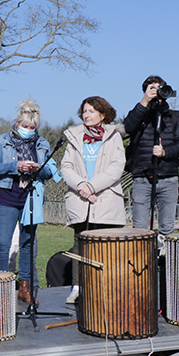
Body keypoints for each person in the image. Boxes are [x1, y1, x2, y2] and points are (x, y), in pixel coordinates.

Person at [61, 96, 126, 302]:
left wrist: (92, 186)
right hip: (81, 199)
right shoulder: (74, 136)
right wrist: (81, 186)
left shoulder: (113, 136)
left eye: (90, 111)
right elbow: (67, 166)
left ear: (102, 114)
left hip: (105, 198)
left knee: (107, 245)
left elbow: (116, 166)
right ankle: (77, 287)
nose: (86, 115)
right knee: (80, 245)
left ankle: (108, 286)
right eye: (84, 111)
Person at [0, 100, 54, 303]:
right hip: (8, 196)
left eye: (32, 127)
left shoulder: (42, 143)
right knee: (3, 244)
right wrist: (16, 165)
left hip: (31, 197)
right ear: (17, 123)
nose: (28, 130)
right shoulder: (2, 140)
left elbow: (49, 171)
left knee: (27, 244)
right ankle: (0, 286)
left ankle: (25, 287)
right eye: (25, 126)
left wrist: (37, 169)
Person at [124, 75, 179, 240]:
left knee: (167, 229)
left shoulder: (175, 116)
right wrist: (145, 101)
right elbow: (127, 127)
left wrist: (165, 152)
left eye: (160, 88)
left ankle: (165, 263)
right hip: (142, 176)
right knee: (139, 229)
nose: (157, 93)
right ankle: (140, 262)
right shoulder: (140, 115)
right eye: (153, 89)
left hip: (168, 177)